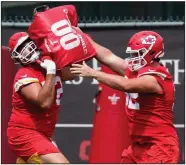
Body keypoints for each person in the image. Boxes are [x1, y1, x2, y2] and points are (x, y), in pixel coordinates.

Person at [70, 31, 179, 163]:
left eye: (137, 54)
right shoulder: (139, 71)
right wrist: (83, 37)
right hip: (137, 146)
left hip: (159, 146)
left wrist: (94, 73)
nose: (133, 57)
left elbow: (127, 85)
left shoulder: (156, 77)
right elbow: (108, 57)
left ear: (152, 53)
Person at [7, 31, 75, 163]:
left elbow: (72, 73)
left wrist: (62, 46)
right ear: (17, 57)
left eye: (28, 43)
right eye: (22, 48)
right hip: (24, 133)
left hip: (43, 133)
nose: (27, 48)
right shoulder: (24, 74)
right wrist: (51, 71)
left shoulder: (46, 63)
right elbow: (44, 102)